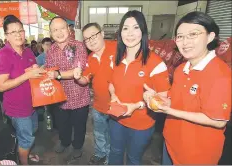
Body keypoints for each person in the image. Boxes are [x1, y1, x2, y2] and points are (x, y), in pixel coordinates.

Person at [144, 11, 231, 165]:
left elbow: (217, 120)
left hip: (197, 155)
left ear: (210, 37)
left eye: (193, 34)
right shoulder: (181, 68)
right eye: (180, 36)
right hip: (171, 144)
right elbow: (175, 100)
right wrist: (157, 97)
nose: (185, 42)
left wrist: (168, 111)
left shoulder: (220, 74)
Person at [108, 10, 171, 165]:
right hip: (116, 119)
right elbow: (111, 84)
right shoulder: (116, 59)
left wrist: (138, 105)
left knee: (133, 158)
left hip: (142, 124)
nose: (130, 33)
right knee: (115, 152)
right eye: (125, 28)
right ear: (120, 32)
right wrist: (113, 95)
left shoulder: (156, 63)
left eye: (136, 28)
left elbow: (164, 99)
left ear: (143, 31)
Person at [0, 15, 45, 165]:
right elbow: (1, 86)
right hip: (17, 109)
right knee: (27, 137)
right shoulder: (3, 55)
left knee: (32, 131)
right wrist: (27, 74)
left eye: (20, 31)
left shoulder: (29, 52)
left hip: (32, 104)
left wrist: (38, 70)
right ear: (6, 36)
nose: (18, 34)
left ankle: (25, 151)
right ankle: (24, 162)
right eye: (13, 32)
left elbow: (32, 72)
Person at [45, 16, 90, 164]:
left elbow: (79, 69)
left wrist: (58, 75)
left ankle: (77, 146)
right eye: (55, 30)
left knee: (79, 126)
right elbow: (49, 70)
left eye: (62, 28)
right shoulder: (51, 50)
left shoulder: (78, 46)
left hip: (79, 97)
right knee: (62, 125)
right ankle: (64, 142)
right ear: (51, 34)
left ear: (68, 29)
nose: (59, 32)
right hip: (60, 98)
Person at [73, 22, 117, 164]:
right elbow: (85, 80)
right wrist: (78, 77)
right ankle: (100, 153)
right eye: (87, 38)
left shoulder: (118, 49)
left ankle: (109, 160)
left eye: (94, 35)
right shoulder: (90, 58)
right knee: (99, 134)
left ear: (102, 34)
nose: (91, 40)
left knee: (112, 136)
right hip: (98, 106)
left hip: (116, 106)